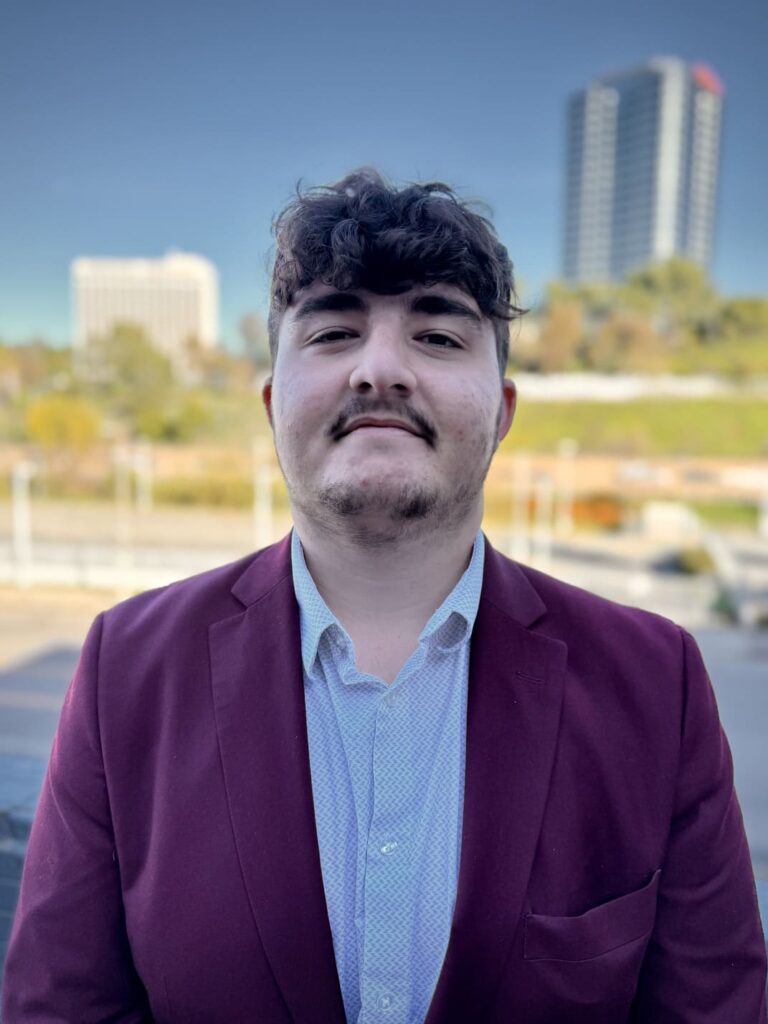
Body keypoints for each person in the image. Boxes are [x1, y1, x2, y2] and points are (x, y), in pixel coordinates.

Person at [3, 168, 766, 1023]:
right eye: (334, 331)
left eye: (437, 336)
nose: (380, 369)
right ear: (271, 403)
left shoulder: (655, 683)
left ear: (503, 410)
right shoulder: (127, 669)